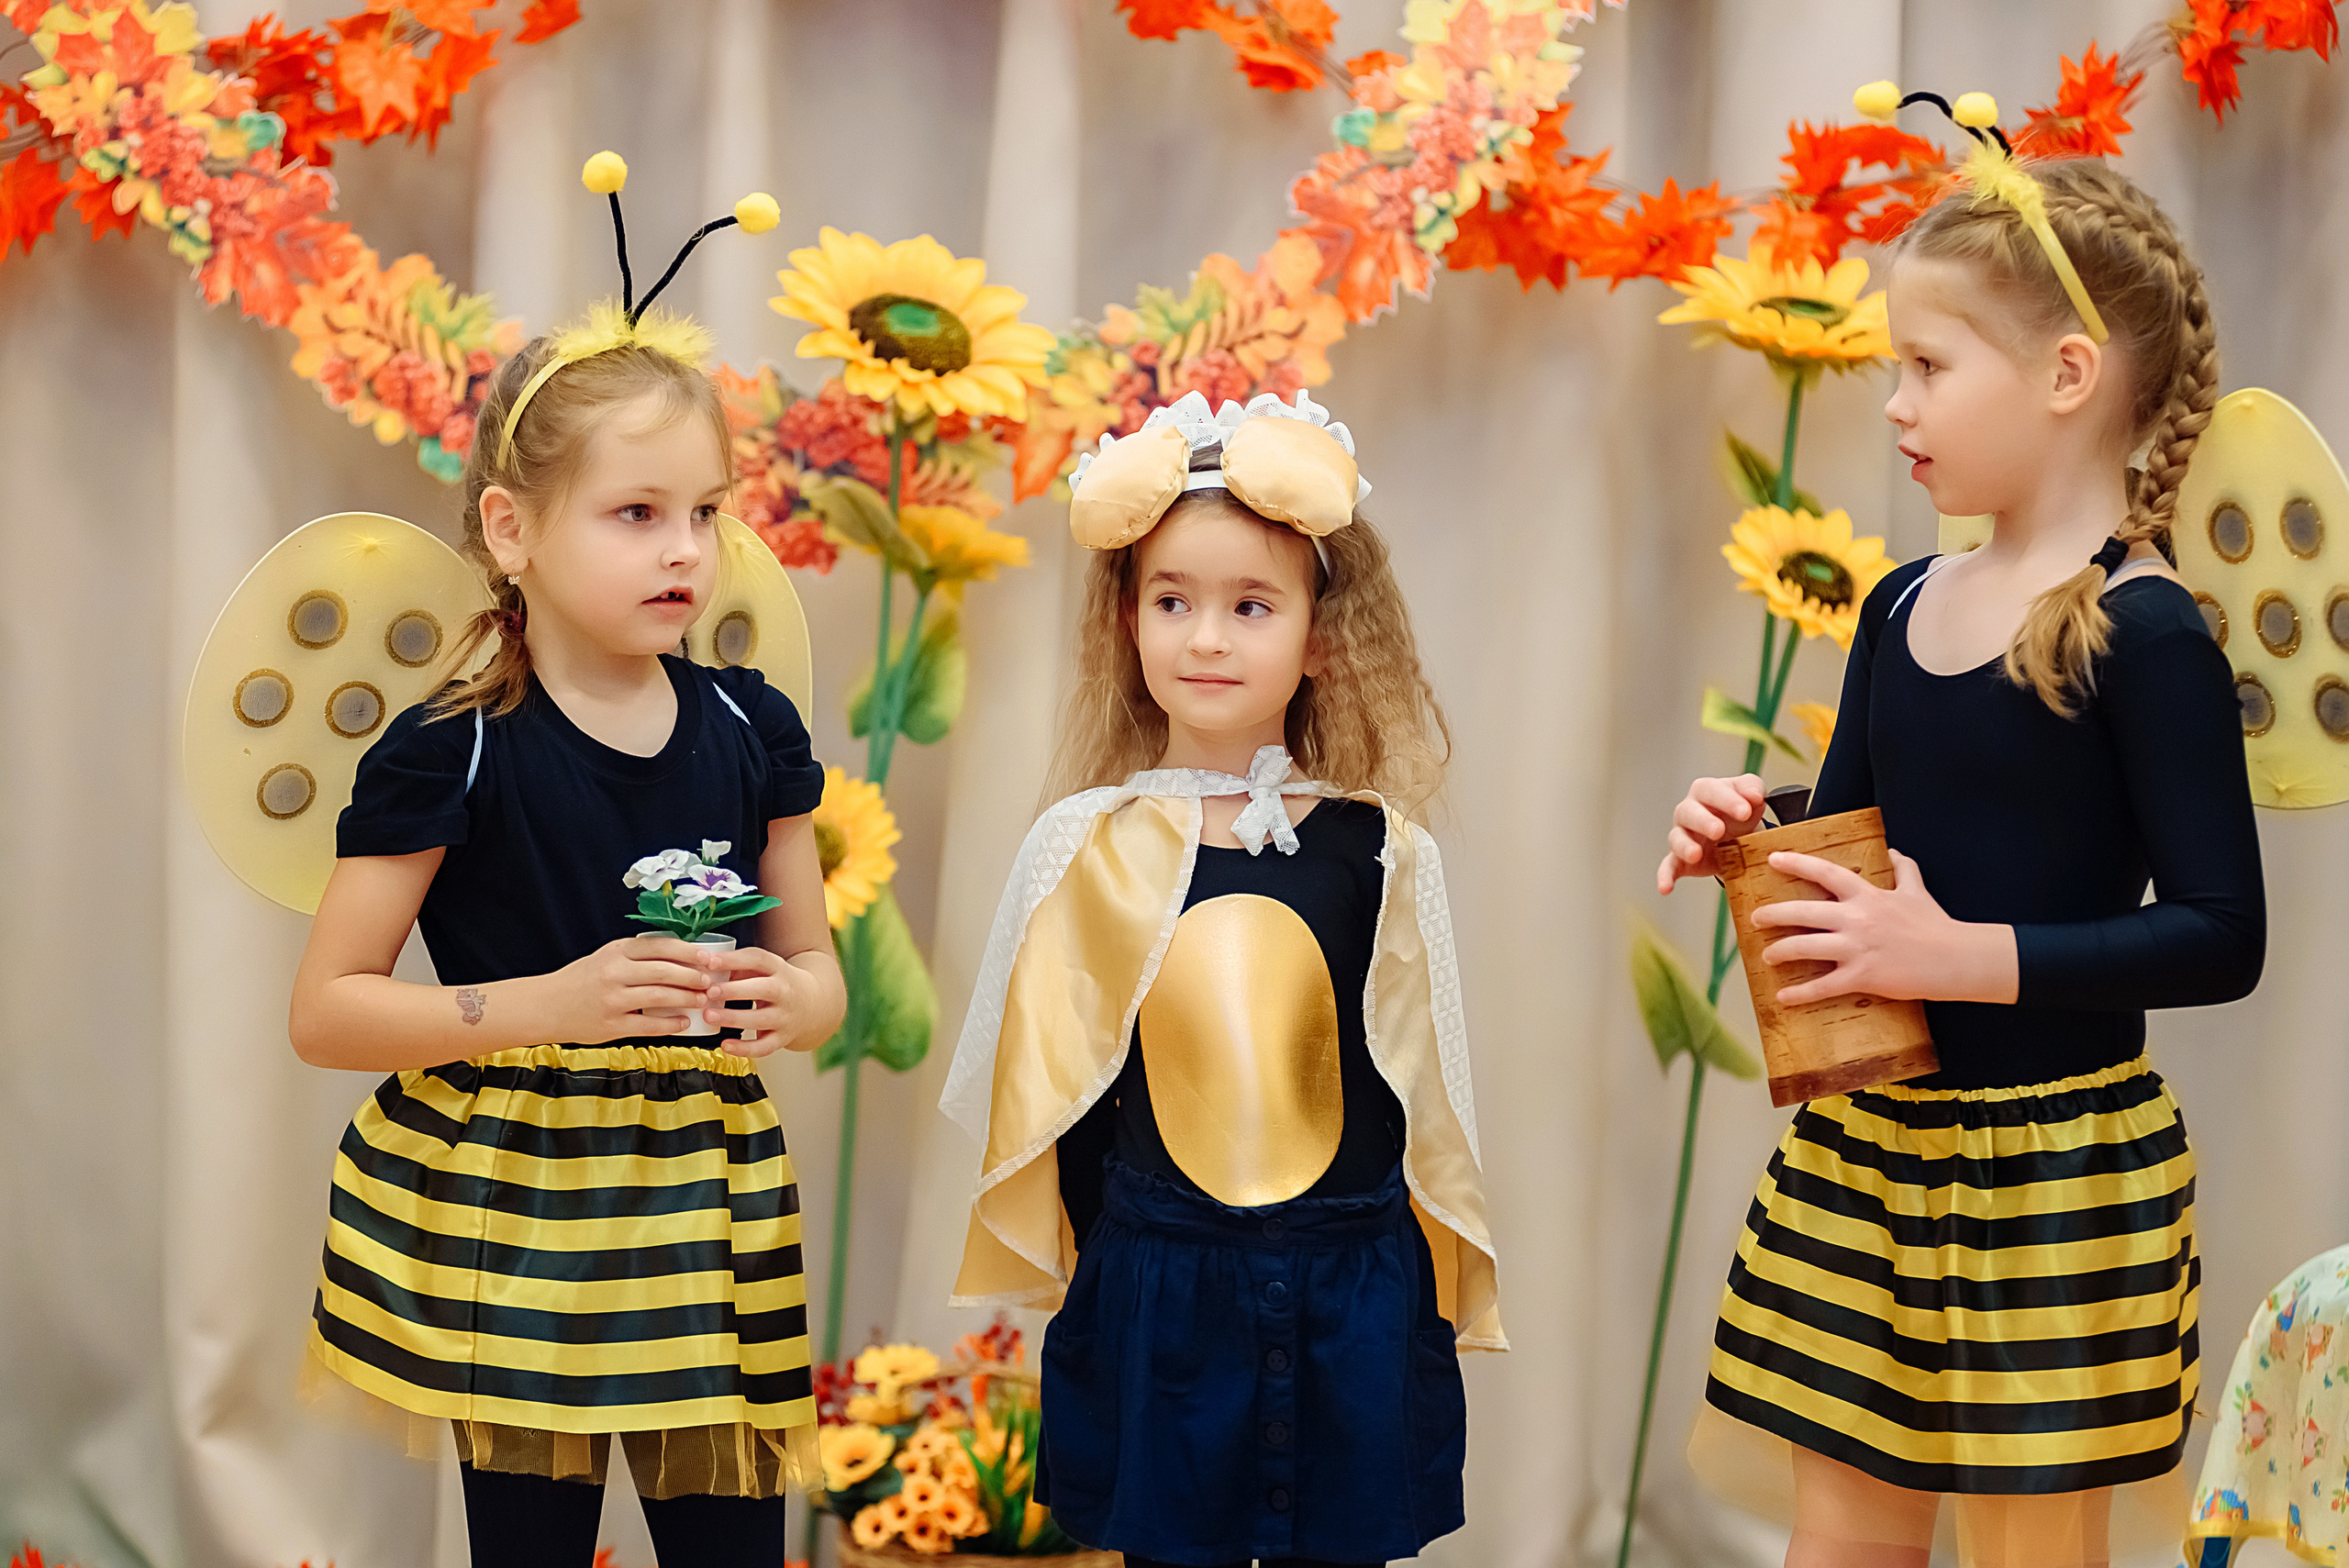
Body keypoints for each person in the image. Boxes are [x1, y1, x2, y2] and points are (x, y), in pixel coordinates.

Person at [1659, 90, 2266, 1568]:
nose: (1896, 403)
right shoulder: (1898, 606)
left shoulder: (2149, 629)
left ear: (2068, 374)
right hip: (1867, 1163)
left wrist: (1955, 952)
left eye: (1927, 365)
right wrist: (1758, 826)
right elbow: (1865, 836)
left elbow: (2220, 937)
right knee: (1843, 1545)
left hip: (2058, 1182)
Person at [284, 158, 841, 1568]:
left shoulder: (752, 727)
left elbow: (813, 961)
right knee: (527, 1547)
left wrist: (801, 1004)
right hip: (515, 1211)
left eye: (706, 512)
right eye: (636, 513)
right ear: (512, 530)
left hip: (706, 1202)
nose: (687, 551)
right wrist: (558, 1001)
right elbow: (328, 1009)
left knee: (733, 1548)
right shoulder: (453, 749)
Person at [939, 390, 1504, 1568]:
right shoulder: (1084, 845)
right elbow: (1068, 1098)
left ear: (1319, 633)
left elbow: (1411, 1082)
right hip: (1166, 1295)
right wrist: (1130, 1267)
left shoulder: (1381, 845)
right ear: (1127, 624)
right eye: (1172, 601)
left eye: (1251, 605)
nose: (1207, 638)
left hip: (1348, 1290)